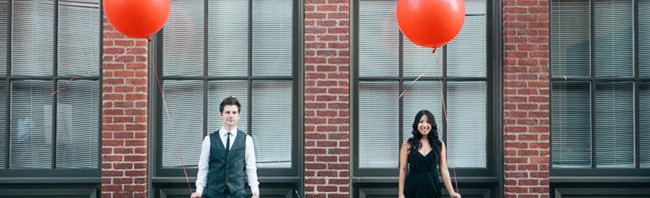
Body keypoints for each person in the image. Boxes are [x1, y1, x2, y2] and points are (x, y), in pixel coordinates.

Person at [191, 96, 260, 198]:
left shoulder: (247, 140)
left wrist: (255, 192)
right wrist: (199, 191)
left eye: (234, 112)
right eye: (227, 112)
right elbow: (203, 168)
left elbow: (251, 169)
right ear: (221, 114)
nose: (231, 116)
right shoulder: (208, 140)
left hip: (238, 194)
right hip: (214, 194)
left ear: (238, 115)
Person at [398, 110, 461, 198]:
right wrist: (401, 194)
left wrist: (451, 192)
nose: (424, 125)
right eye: (421, 122)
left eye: (428, 122)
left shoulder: (439, 144)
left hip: (433, 188)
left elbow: (443, 170)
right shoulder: (407, 144)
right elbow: (403, 169)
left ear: (432, 124)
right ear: (416, 124)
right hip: (412, 188)